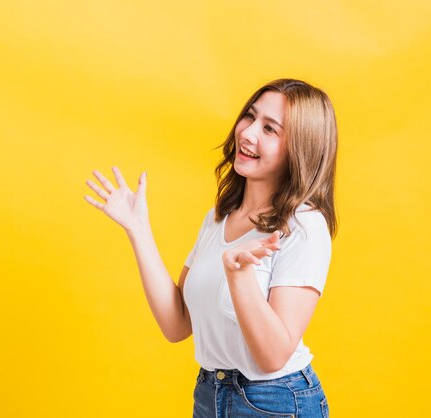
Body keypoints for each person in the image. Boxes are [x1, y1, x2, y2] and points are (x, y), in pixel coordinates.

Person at [83, 78, 337, 418]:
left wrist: (240, 276)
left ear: (299, 149)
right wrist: (138, 229)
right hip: (210, 393)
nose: (247, 133)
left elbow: (273, 355)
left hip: (275, 402)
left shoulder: (303, 225)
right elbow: (177, 325)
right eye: (250, 116)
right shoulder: (218, 218)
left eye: (270, 129)